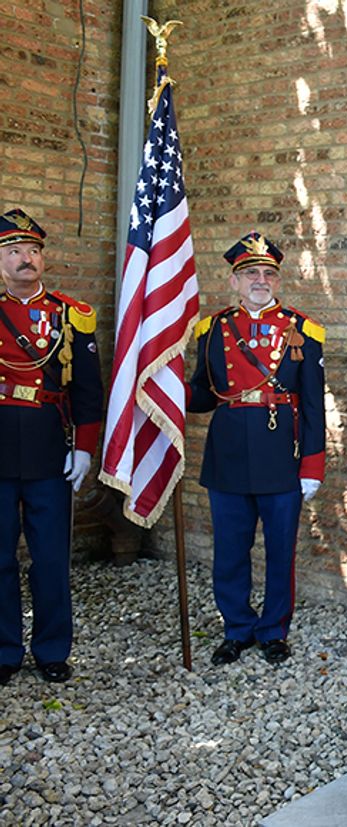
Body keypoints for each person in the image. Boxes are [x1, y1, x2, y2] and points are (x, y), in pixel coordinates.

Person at [188, 232, 326, 666]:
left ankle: (273, 630)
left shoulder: (303, 329)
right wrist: (164, 383)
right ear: (234, 281)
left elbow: (313, 406)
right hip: (227, 452)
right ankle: (237, 628)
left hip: (280, 454)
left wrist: (312, 466)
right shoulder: (211, 329)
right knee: (229, 550)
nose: (260, 280)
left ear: (277, 280)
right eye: (250, 273)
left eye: (268, 273)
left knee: (280, 551)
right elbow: (204, 395)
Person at [0, 208, 102, 685]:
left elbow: (87, 389)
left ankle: (52, 649)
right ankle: (5, 650)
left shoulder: (71, 315)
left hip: (48, 449)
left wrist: (83, 448)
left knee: (50, 558)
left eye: (34, 251)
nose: (26, 259)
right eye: (15, 251)